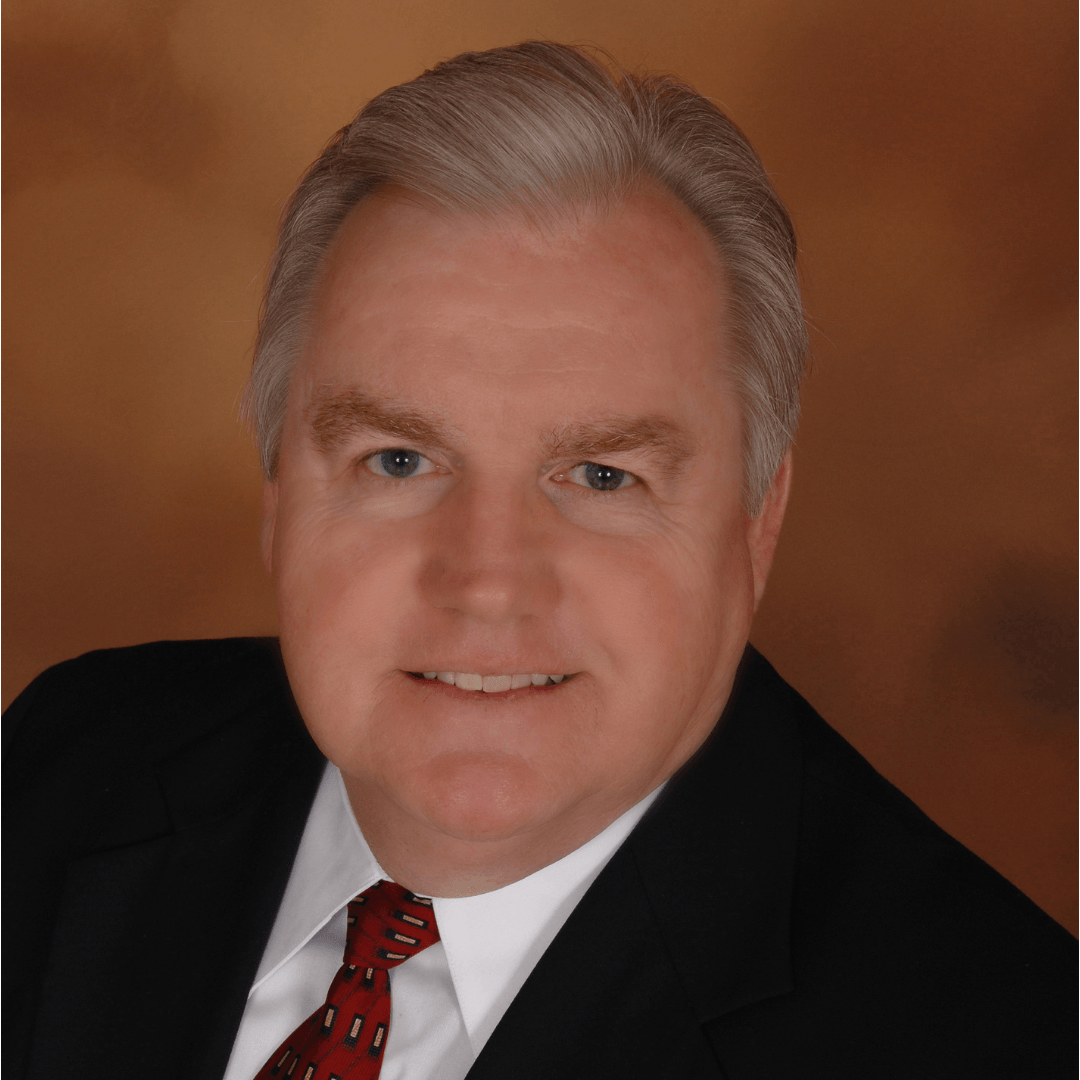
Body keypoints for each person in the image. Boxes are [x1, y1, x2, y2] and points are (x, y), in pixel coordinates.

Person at [4, 41, 1072, 1080]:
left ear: (757, 522)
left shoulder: (999, 1040)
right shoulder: (64, 765)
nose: (487, 584)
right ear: (279, 492)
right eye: (399, 459)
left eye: (602, 476)